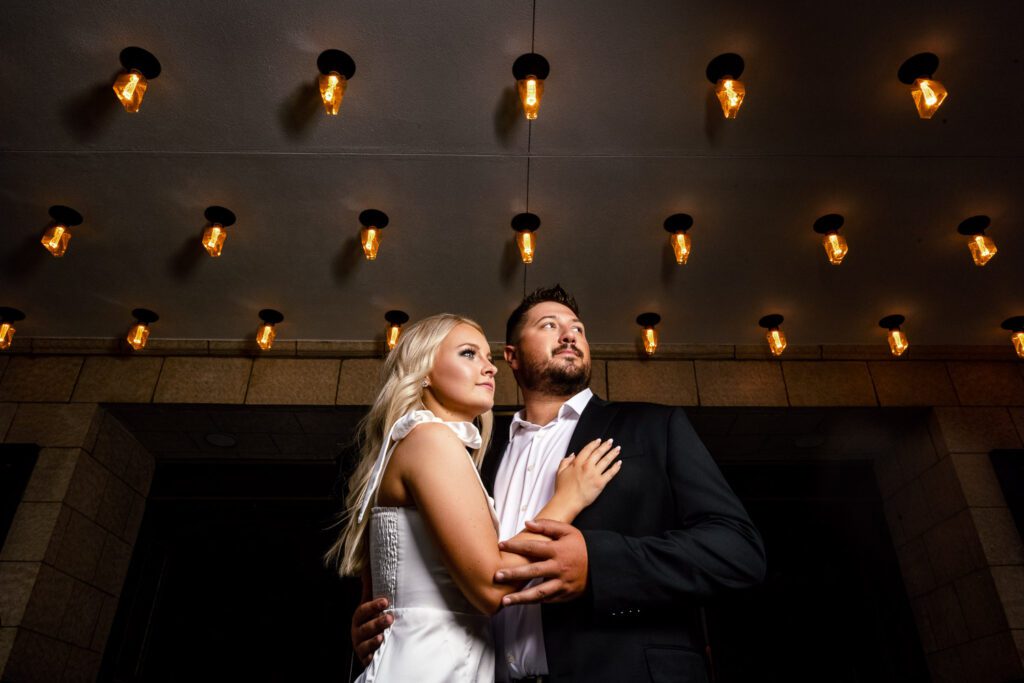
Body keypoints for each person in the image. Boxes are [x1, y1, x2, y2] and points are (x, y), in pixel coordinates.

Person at [352, 286, 767, 682]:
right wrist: (387, 621)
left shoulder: (655, 427)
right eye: (549, 325)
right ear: (512, 357)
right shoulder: (470, 453)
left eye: (578, 329)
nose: (570, 334)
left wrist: (599, 564)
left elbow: (738, 551)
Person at [326, 313, 622, 682]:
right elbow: (490, 587)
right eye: (468, 354)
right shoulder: (430, 439)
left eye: (489, 358)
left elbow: (379, 599)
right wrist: (569, 498)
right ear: (424, 372)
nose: (489, 369)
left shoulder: (415, 444)